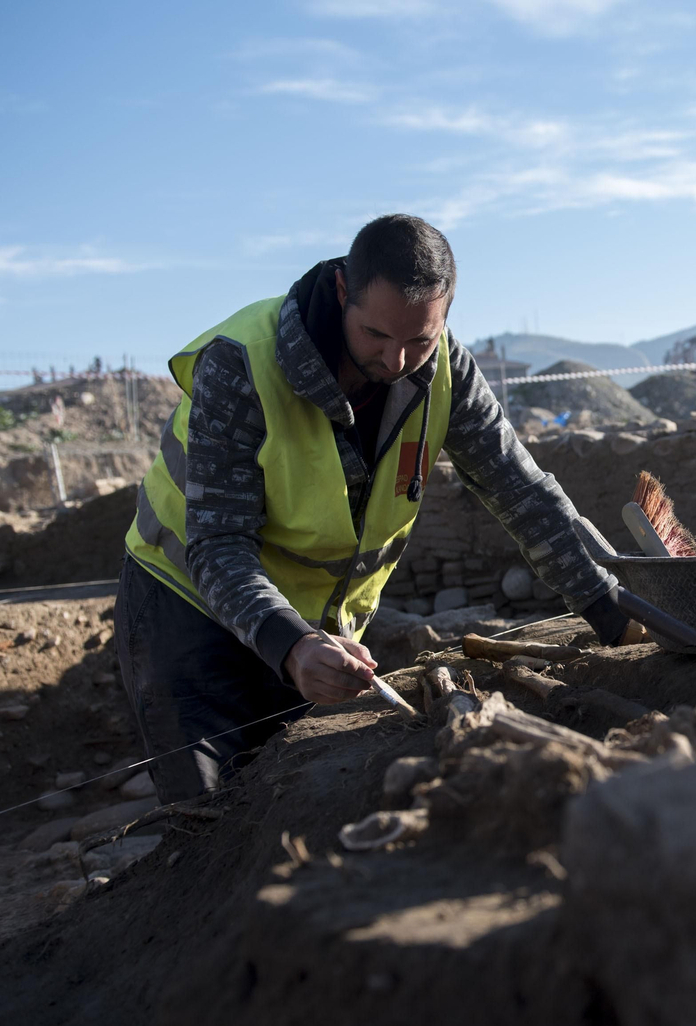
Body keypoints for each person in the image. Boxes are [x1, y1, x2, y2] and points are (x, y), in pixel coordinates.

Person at [116, 214, 632, 802]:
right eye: (376, 336)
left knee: (287, 804)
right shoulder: (242, 364)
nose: (396, 361)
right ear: (342, 293)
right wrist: (290, 644)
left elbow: (521, 490)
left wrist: (608, 604)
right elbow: (218, 543)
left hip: (317, 631)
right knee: (209, 822)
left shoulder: (444, 371)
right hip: (187, 610)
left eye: (420, 339)